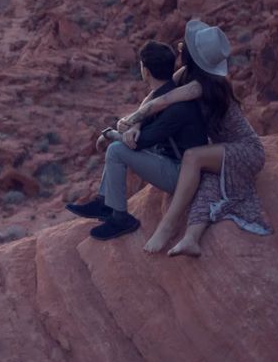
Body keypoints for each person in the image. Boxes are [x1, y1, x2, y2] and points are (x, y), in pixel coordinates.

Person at [118, 20, 271, 257]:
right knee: (205, 189)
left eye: (184, 46)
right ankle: (191, 239)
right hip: (221, 150)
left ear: (190, 54)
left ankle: (167, 227)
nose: (180, 47)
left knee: (192, 157)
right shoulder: (188, 74)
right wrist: (136, 123)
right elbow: (152, 96)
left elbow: (163, 101)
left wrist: (132, 118)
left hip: (245, 151)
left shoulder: (200, 86)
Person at [66, 40, 209, 240]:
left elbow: (139, 143)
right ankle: (106, 203)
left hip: (183, 174)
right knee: (119, 146)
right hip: (174, 160)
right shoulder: (166, 95)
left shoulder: (175, 108)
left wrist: (109, 134)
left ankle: (120, 218)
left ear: (146, 71)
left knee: (116, 150)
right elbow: (145, 115)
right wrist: (134, 125)